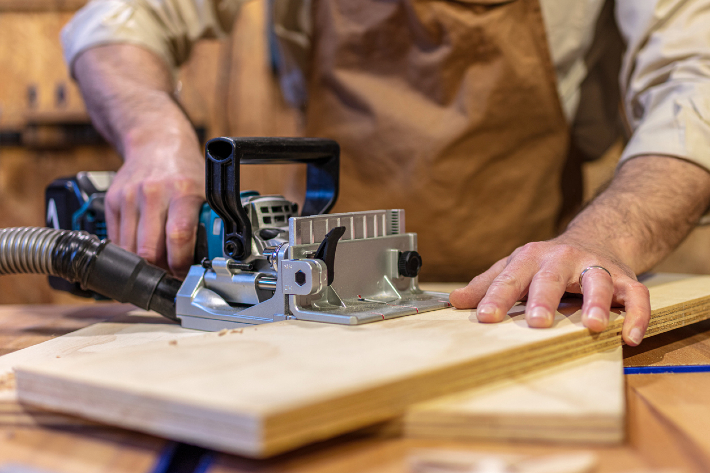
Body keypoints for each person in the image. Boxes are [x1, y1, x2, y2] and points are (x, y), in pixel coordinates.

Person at [61, 0, 710, 346]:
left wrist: (607, 239)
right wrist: (153, 131)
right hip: (311, 310)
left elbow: (699, 79)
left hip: (531, 305)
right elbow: (119, 17)